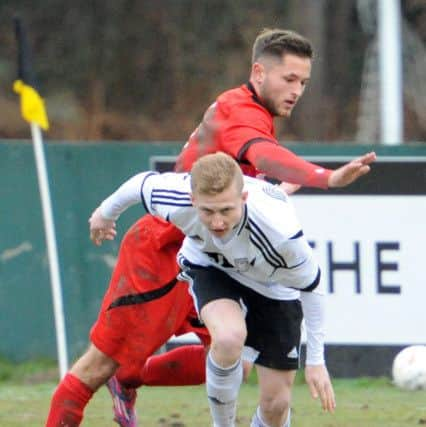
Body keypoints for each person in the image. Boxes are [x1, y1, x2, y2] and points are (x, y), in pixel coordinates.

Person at [45, 28, 376, 427]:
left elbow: (247, 176)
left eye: (303, 82)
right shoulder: (243, 113)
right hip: (164, 249)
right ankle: (118, 376)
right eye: (289, 79)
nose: (297, 90)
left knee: (233, 361)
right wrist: (325, 178)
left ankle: (131, 376)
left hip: (211, 254)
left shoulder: (251, 114)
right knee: (97, 365)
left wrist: (271, 191)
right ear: (259, 72)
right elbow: (263, 155)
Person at [89, 152, 337, 427]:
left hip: (274, 288)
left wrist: (316, 361)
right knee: (229, 338)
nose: (217, 222)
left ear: (243, 199)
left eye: (226, 210)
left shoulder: (280, 231)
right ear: (193, 200)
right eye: (207, 211)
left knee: (275, 406)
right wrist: (104, 214)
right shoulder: (176, 196)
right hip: (211, 267)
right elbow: (138, 185)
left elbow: (312, 288)